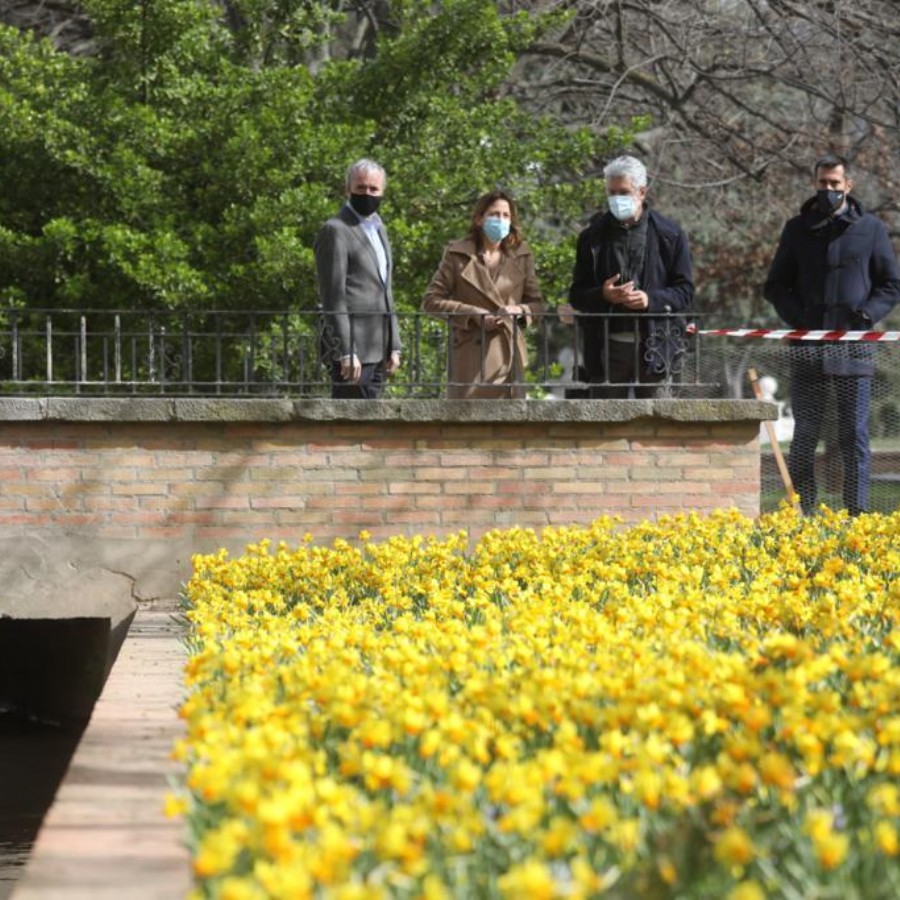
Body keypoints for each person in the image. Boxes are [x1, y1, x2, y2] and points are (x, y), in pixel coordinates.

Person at [764, 152, 900, 516]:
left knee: (853, 435)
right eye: (822, 183)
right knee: (805, 435)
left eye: (835, 184)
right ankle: (804, 513)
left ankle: (856, 514)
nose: (828, 190)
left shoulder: (871, 229)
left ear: (848, 186)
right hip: (808, 349)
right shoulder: (797, 229)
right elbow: (776, 285)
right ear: (815, 183)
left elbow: (891, 284)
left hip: (855, 350)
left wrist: (866, 315)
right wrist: (800, 320)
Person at [566, 155, 694, 398]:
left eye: (623, 192)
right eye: (611, 192)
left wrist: (650, 300)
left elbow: (685, 291)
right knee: (606, 430)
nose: (616, 199)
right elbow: (577, 294)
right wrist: (603, 295)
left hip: (657, 346)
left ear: (642, 192)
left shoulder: (671, 235)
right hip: (606, 348)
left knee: (657, 426)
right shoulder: (592, 237)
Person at [422, 189, 545, 399]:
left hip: (508, 355)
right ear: (480, 219)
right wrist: (472, 314)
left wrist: (519, 310)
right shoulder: (457, 254)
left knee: (508, 425)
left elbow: (538, 305)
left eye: (506, 216)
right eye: (494, 214)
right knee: (467, 425)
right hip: (470, 353)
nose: (501, 220)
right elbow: (431, 301)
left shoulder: (522, 254)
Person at [315, 158, 401, 398]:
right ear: (348, 189)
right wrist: (346, 350)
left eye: (374, 189)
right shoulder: (336, 230)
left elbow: (386, 290)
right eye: (361, 188)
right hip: (352, 353)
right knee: (347, 430)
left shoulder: (379, 229)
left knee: (370, 430)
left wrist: (394, 344)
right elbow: (333, 296)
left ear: (382, 191)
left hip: (379, 349)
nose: (367, 194)